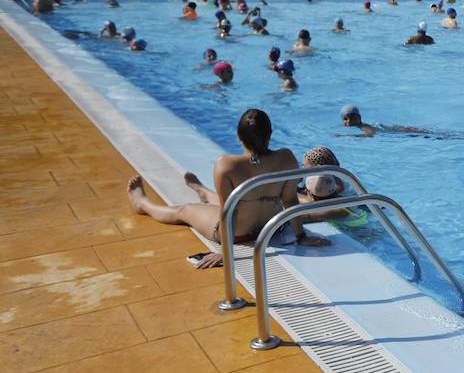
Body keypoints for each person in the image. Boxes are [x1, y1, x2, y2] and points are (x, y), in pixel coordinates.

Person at [127, 108, 328, 268]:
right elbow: (289, 200)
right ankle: (203, 191)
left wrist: (225, 252)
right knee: (238, 199)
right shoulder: (286, 158)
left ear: (238, 137)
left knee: (185, 210)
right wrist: (301, 236)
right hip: (272, 229)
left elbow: (227, 211)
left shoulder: (226, 165)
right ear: (270, 134)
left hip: (238, 234)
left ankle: (142, 203)